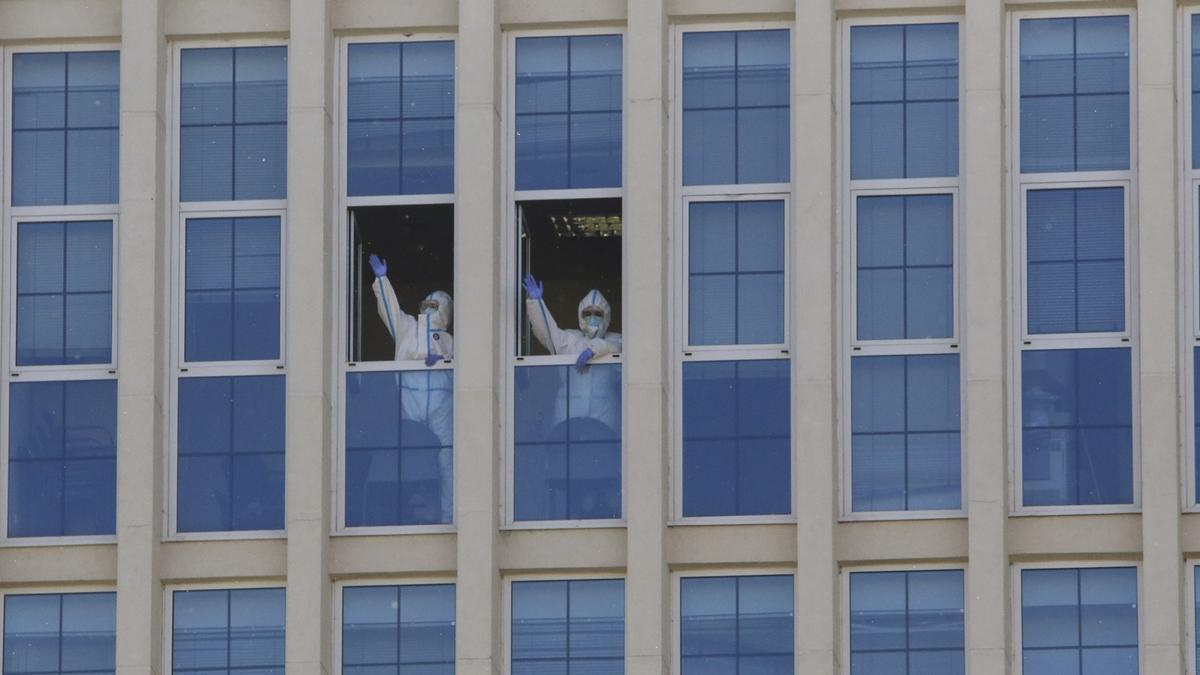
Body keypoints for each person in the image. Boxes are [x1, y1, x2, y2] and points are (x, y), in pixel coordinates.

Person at [369, 253, 453, 523]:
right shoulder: (407, 329)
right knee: (411, 461)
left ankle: (446, 516)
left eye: (434, 305)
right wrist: (382, 280)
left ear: (444, 312)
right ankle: (406, 516)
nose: (428, 308)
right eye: (426, 303)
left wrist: (441, 360)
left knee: (445, 462)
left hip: (441, 403)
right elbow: (390, 310)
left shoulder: (449, 339)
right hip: (411, 401)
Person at [521, 274, 622, 434]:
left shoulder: (617, 340)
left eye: (598, 314)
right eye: (587, 313)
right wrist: (536, 303)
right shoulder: (570, 340)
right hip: (568, 414)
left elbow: (620, 347)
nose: (592, 318)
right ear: (580, 315)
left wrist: (595, 349)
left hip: (603, 415)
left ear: (606, 316)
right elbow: (547, 332)